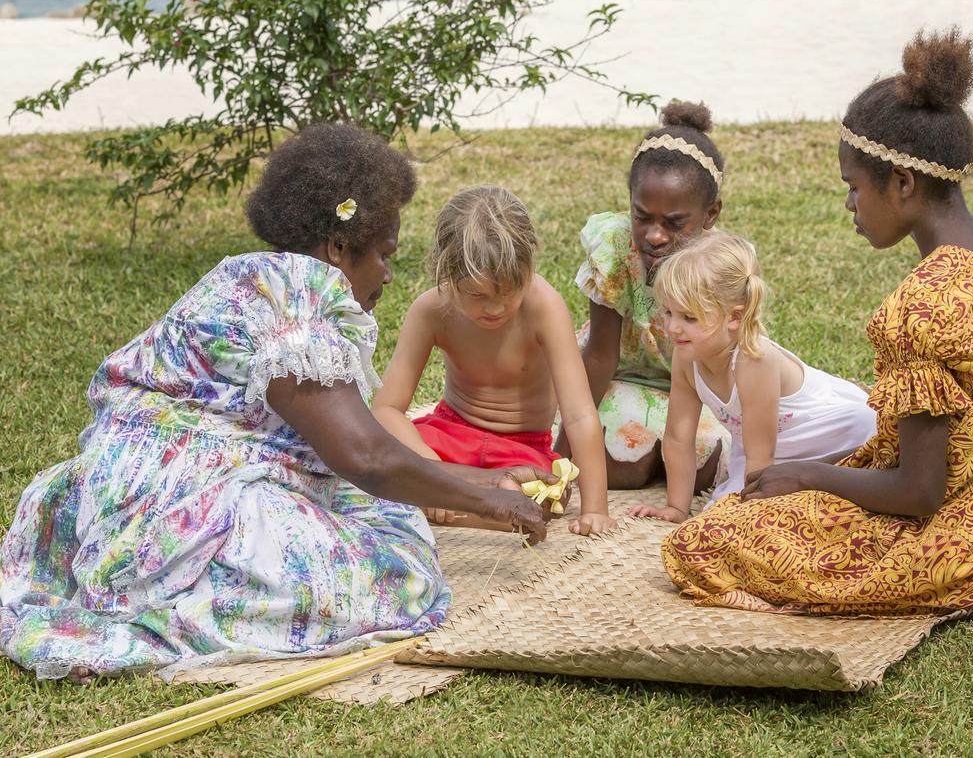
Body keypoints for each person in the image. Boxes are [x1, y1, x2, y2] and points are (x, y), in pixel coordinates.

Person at [0, 124, 549, 684]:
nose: (387, 273)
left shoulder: (258, 276)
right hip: (174, 503)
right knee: (393, 576)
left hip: (123, 487)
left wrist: (480, 482)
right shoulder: (295, 301)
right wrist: (489, 502)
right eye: (383, 253)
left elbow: (358, 450)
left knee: (384, 514)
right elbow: (366, 457)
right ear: (337, 248)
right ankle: (183, 598)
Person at [662, 28, 973, 617]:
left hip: (956, 545)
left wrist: (804, 475)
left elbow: (918, 493)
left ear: (902, 184)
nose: (849, 204)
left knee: (702, 543)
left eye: (853, 187)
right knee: (765, 502)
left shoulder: (922, 307)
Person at [372, 186, 614, 536]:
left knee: (539, 498)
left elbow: (578, 413)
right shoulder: (431, 310)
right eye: (477, 295)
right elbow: (386, 410)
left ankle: (445, 503)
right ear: (447, 275)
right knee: (382, 457)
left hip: (520, 450)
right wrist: (432, 468)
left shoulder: (543, 306)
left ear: (528, 271)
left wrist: (596, 509)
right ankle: (465, 502)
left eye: (508, 292)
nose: (495, 308)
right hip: (448, 437)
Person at [626, 231, 875, 522]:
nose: (673, 328)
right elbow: (679, 437)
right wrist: (677, 508)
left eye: (689, 318)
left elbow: (761, 455)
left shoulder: (752, 360)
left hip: (834, 435)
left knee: (759, 514)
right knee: (716, 513)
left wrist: (747, 519)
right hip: (774, 451)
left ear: (734, 317)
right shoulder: (685, 356)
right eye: (668, 313)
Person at [560, 101, 730, 491]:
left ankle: (662, 456)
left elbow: (724, 362)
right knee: (621, 469)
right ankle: (649, 459)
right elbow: (602, 355)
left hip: (692, 387)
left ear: (710, 214)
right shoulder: (617, 248)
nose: (655, 236)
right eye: (642, 216)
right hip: (622, 378)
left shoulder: (716, 265)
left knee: (706, 470)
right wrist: (561, 457)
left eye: (674, 223)